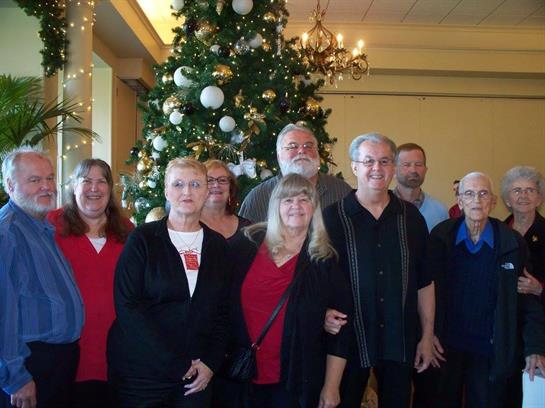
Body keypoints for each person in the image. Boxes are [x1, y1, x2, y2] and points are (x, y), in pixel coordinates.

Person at [218, 173, 352, 408]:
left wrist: (331, 387)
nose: (296, 207)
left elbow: (340, 333)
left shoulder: (324, 259)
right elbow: (217, 297)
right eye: (288, 200)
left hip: (294, 381)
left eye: (304, 199)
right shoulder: (247, 242)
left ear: (314, 207)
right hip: (239, 374)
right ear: (276, 205)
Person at [323, 133, 435, 408]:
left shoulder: (411, 218)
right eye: (369, 161)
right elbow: (317, 280)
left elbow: (425, 281)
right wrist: (322, 313)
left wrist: (427, 335)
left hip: (400, 339)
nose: (377, 168)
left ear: (394, 167)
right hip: (348, 342)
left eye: (385, 161)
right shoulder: (331, 218)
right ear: (354, 167)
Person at [107, 158, 231, 407]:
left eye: (196, 184)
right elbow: (128, 306)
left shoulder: (218, 246)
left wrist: (210, 362)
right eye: (178, 184)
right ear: (166, 191)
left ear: (206, 190)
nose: (187, 191)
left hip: (196, 374)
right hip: (142, 373)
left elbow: (225, 311)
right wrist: (174, 363)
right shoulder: (142, 239)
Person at [429, 171, 545, 407]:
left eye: (483, 194)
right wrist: (426, 334)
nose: (477, 200)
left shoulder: (512, 243)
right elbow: (424, 290)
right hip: (446, 346)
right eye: (469, 194)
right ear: (459, 201)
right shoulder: (441, 237)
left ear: (493, 201)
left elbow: (527, 299)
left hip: (490, 348)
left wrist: (535, 347)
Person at [0, 147, 84, 408]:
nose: (47, 187)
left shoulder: (42, 227)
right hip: (30, 365)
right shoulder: (7, 233)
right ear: (11, 185)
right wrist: (16, 376)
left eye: (49, 178)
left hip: (56, 363)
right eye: (35, 180)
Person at [46, 159, 133, 407]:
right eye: (86, 181)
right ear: (74, 187)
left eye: (101, 181)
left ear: (110, 188)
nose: (94, 188)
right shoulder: (52, 226)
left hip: (117, 354)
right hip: (67, 355)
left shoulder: (127, 231)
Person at [239, 123, 352, 223]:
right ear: (279, 156)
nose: (302, 151)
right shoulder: (258, 198)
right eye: (292, 146)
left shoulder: (342, 192)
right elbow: (245, 244)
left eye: (308, 146)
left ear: (317, 153)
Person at [500, 166, 545, 407]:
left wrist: (540, 289)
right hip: (504, 331)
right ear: (507, 198)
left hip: (541, 333)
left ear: (539, 197)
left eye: (530, 190)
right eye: (516, 190)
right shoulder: (497, 233)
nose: (523, 195)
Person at [394, 142, 448, 231]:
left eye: (418, 164)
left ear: (425, 170)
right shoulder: (382, 206)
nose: (413, 170)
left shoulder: (440, 211)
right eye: (407, 165)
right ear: (394, 170)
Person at [201, 159, 251, 240]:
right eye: (209, 180)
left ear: (230, 188)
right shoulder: (188, 226)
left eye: (222, 180)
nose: (216, 185)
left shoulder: (247, 228)